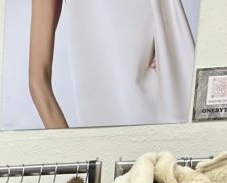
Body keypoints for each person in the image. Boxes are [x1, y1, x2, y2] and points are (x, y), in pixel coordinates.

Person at [28, 0, 195, 129]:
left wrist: (169, 54)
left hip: (166, 108)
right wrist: (71, 150)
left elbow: (172, 28)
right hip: (106, 126)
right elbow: (38, 79)